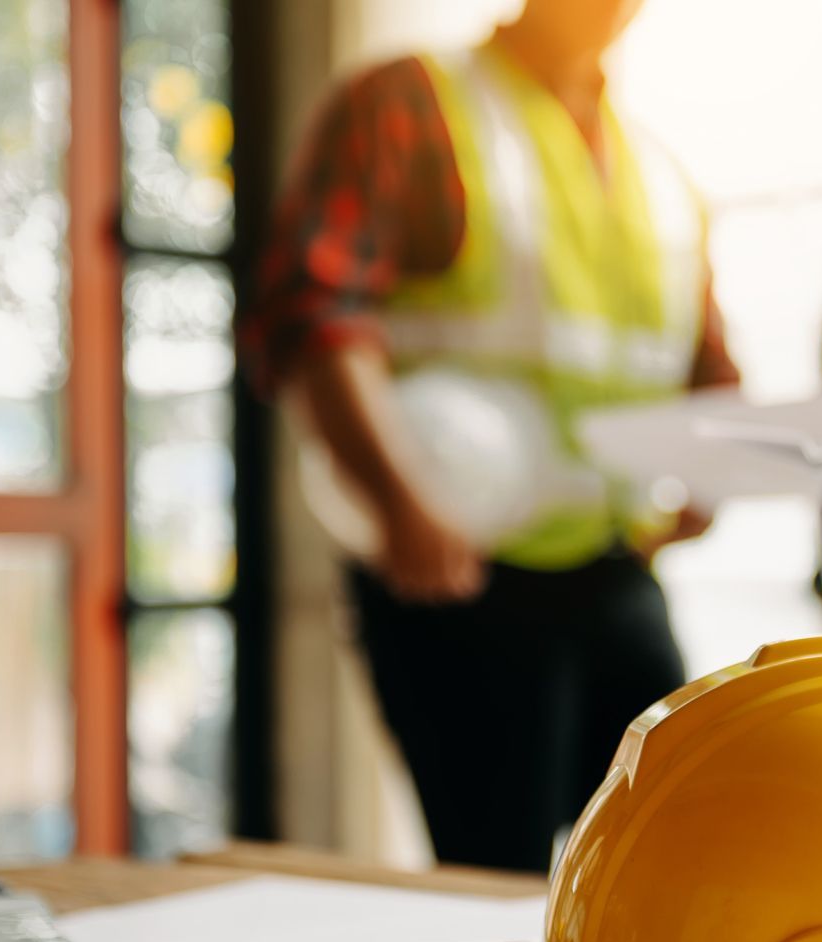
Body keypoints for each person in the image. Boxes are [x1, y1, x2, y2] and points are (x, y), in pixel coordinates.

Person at [246, 0, 736, 872]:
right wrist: (399, 499)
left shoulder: (662, 174)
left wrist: (711, 470)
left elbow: (708, 361)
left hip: (615, 564)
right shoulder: (414, 101)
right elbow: (315, 311)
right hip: (457, 572)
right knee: (498, 878)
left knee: (683, 844)